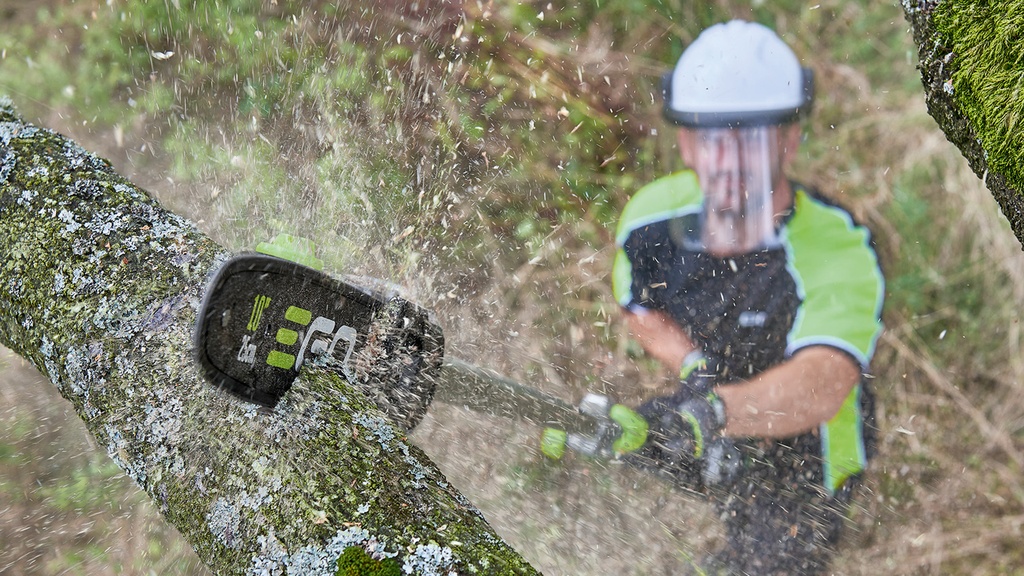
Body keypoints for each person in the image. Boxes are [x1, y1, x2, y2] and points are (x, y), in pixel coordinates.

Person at [610, 20, 885, 575]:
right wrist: (694, 367)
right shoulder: (650, 220)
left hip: (809, 457)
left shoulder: (837, 246)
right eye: (715, 140)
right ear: (686, 142)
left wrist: (711, 413)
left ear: (790, 138)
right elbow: (640, 310)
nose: (732, 162)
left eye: (751, 140)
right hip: (714, 411)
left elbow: (824, 383)